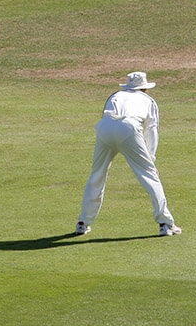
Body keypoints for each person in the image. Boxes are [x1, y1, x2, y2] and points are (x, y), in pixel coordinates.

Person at [76, 72, 181, 237]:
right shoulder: (148, 101)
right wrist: (151, 160)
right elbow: (151, 131)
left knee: (96, 175)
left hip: (105, 127)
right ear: (144, 88)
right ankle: (165, 224)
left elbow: (106, 116)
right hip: (128, 128)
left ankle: (83, 222)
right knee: (149, 175)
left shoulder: (115, 95)